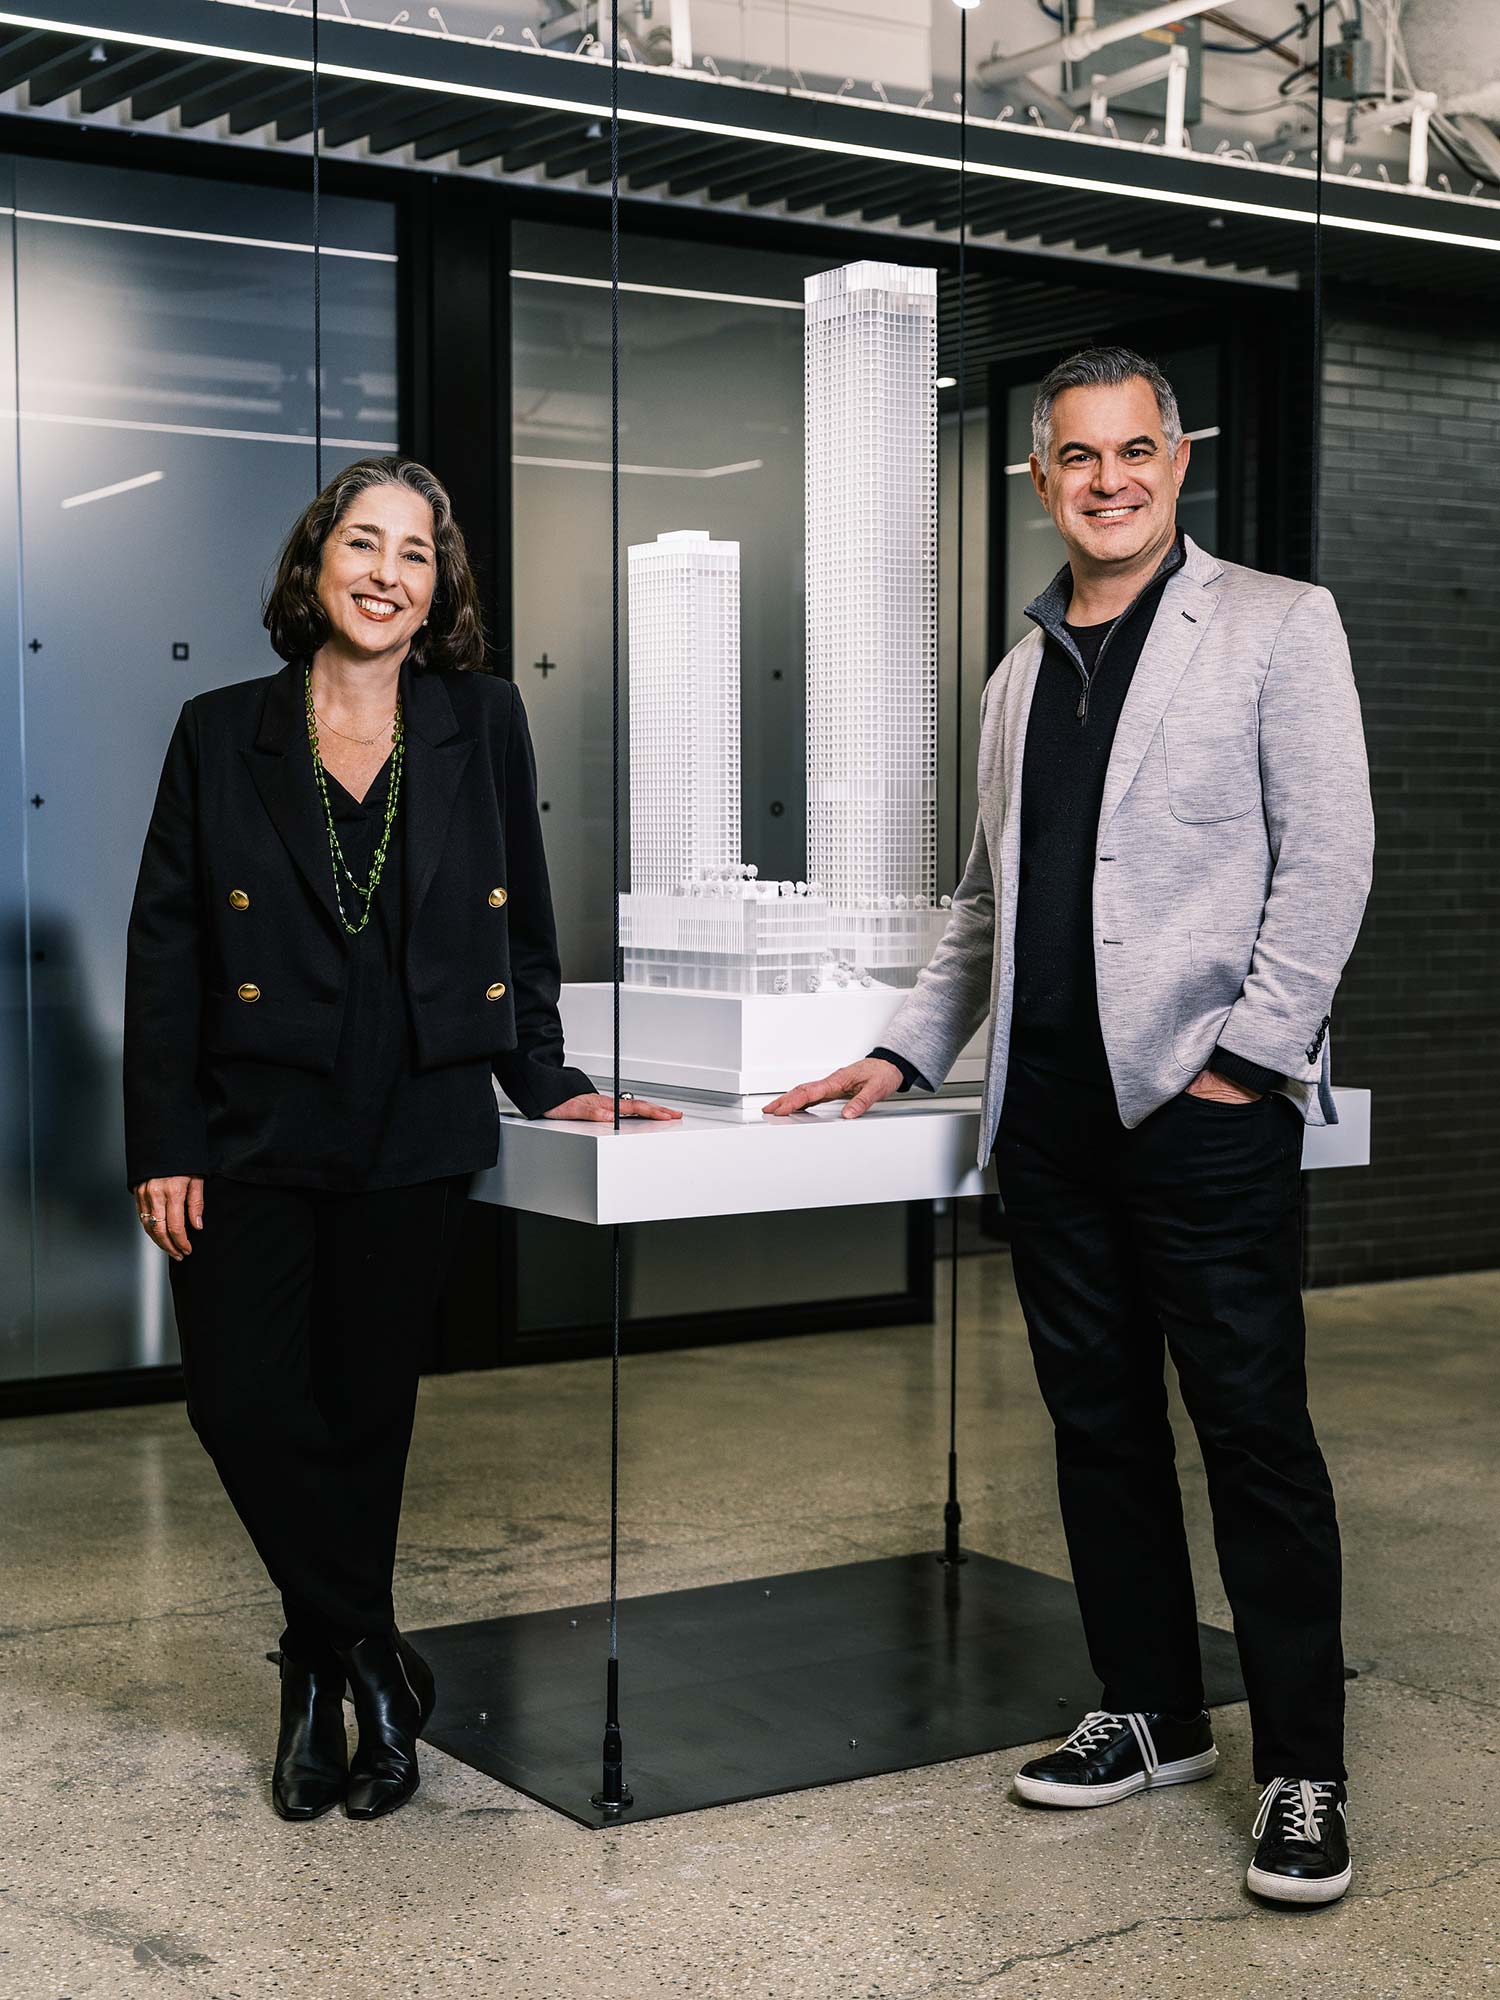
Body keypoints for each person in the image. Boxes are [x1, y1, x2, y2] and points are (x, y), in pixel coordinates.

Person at [765, 348, 1374, 1907]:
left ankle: (1303, 1768)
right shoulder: (1020, 672)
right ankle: (1156, 1710)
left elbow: (1331, 861)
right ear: (1041, 480)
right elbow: (989, 904)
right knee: (1098, 1436)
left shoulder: (1273, 625)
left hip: (1201, 1110)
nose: (1108, 479)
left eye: (1136, 450)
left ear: (1180, 463)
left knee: (1252, 1441)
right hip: (1048, 1123)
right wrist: (902, 1057)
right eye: (1077, 457)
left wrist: (1248, 1059)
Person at [125, 456, 678, 1823]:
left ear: (441, 589)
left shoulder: (480, 720)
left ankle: (323, 1693)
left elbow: (525, 925)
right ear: (314, 566)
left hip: (419, 1117)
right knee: (243, 1403)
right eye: (361, 545)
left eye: (414, 554)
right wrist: (163, 1138)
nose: (385, 573)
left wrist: (548, 1084)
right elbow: (166, 951)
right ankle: (368, 1654)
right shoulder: (219, 731)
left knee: (366, 1418)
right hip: (253, 1122)